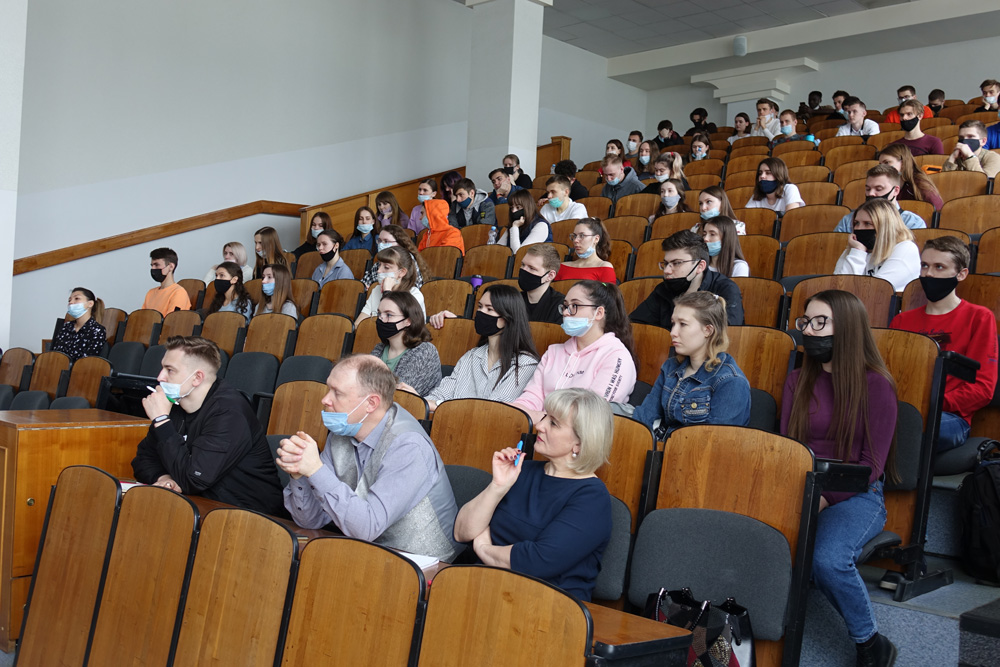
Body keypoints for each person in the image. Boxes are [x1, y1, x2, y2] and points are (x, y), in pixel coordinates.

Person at [781, 290, 899, 667]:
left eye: (821, 323)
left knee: (829, 560)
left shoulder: (876, 384)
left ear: (846, 328)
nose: (809, 331)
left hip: (858, 493)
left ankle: (870, 643)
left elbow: (871, 466)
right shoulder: (797, 379)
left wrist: (823, 498)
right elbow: (788, 448)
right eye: (806, 322)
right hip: (802, 486)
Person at [277, 355, 462, 562]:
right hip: (369, 552)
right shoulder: (343, 431)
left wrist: (315, 470)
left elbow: (367, 527)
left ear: (371, 403)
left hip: (423, 563)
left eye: (337, 393)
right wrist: (299, 474)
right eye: (328, 389)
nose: (325, 400)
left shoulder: (408, 445)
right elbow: (311, 520)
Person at [454, 388, 613, 601]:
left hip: (546, 605)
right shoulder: (522, 470)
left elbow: (535, 562)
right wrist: (497, 486)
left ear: (579, 443)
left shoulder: (592, 499)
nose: (539, 426)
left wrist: (483, 548)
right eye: (545, 416)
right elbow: (461, 532)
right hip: (485, 590)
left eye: (553, 423)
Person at [132, 336, 284, 515]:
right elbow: (142, 460)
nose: (160, 377)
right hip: (202, 507)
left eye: (169, 370)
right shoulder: (174, 405)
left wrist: (161, 421)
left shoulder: (229, 413)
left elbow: (194, 479)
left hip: (250, 516)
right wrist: (164, 478)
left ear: (197, 378)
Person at [891, 236, 999, 451]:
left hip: (950, 417)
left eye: (939, 267)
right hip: (902, 411)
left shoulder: (979, 317)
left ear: (961, 274)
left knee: (903, 428)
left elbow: (983, 387)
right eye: (924, 265)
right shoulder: (902, 320)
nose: (928, 274)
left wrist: (930, 404)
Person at [512, 281, 636, 422]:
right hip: (538, 427)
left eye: (575, 306)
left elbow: (591, 413)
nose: (566, 312)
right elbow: (532, 396)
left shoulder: (616, 356)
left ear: (599, 313)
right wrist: (514, 413)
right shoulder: (553, 352)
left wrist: (538, 418)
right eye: (565, 306)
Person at [634, 291, 751, 439]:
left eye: (683, 324)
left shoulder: (731, 382)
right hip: (661, 447)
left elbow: (713, 443)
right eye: (673, 324)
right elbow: (643, 418)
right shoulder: (670, 367)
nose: (673, 332)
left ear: (708, 330)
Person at [425, 284, 539, 412]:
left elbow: (490, 409)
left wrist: (437, 405)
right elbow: (442, 393)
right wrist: (421, 402)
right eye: (480, 307)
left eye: (489, 309)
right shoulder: (471, 355)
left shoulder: (525, 363)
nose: (480, 312)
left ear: (507, 318)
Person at [428, 243, 564, 329]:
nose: (524, 271)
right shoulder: (513, 299)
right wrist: (455, 320)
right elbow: (489, 325)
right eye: (523, 265)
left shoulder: (561, 306)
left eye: (532, 268)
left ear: (550, 275)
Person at [630, 231, 744, 327]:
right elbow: (636, 324)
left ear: (700, 266)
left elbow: (729, 333)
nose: (667, 271)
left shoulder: (726, 288)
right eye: (666, 263)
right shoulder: (663, 290)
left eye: (676, 263)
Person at [833, 198, 920, 292]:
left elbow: (875, 290)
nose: (859, 228)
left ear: (885, 226)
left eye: (867, 223)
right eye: (856, 223)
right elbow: (839, 289)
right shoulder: (856, 249)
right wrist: (858, 251)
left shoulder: (905, 249)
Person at [372, 292, 442, 397]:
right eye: (379, 314)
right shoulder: (379, 348)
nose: (381, 319)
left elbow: (399, 394)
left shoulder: (425, 351)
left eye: (389, 315)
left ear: (408, 320)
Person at [834, 165, 927, 232]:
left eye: (878, 189)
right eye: (868, 189)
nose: (871, 193)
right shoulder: (848, 221)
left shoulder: (912, 222)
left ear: (895, 191)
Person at [356, 245, 425, 325]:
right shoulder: (376, 290)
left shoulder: (414, 295)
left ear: (402, 272)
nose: (379, 271)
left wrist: (387, 292)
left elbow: (393, 327)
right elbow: (358, 324)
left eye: (386, 267)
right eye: (379, 265)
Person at [878, 143, 944, 210]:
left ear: (903, 164)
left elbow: (938, 211)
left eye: (887, 163)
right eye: (880, 164)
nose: (881, 168)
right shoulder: (880, 185)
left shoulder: (921, 184)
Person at [363, 224, 429, 288]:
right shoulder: (380, 262)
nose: (381, 244)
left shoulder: (408, 260)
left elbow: (412, 288)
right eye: (379, 241)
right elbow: (365, 283)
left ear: (399, 243)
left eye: (386, 241)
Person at [51, 287, 107, 361]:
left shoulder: (98, 330)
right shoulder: (66, 326)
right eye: (69, 300)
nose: (71, 302)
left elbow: (89, 360)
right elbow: (56, 353)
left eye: (77, 298)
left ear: (90, 304)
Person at [554, 218, 617, 283]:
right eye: (575, 236)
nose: (575, 240)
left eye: (582, 235)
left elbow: (609, 289)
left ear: (596, 239)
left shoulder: (604, 267)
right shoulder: (562, 267)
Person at [496, 188, 551, 252]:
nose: (513, 211)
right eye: (512, 208)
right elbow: (498, 249)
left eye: (518, 207)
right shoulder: (515, 223)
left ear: (527, 207)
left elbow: (519, 253)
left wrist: (515, 227)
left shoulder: (541, 225)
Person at [143, 247, 191, 315]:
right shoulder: (150, 293)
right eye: (152, 265)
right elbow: (143, 318)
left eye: (157, 265)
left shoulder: (178, 293)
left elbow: (172, 320)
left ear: (171, 267)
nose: (153, 268)